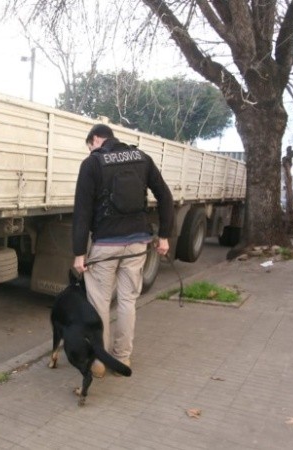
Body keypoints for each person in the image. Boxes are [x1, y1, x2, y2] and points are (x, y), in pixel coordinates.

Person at [72, 124, 174, 377]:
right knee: (128, 301)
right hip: (137, 243)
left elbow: (82, 211)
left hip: (106, 244)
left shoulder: (92, 163)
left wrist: (79, 253)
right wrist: (164, 236)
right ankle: (123, 358)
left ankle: (99, 359)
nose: (91, 150)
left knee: (100, 303)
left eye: (90, 145)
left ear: (96, 139)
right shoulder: (142, 158)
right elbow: (166, 196)